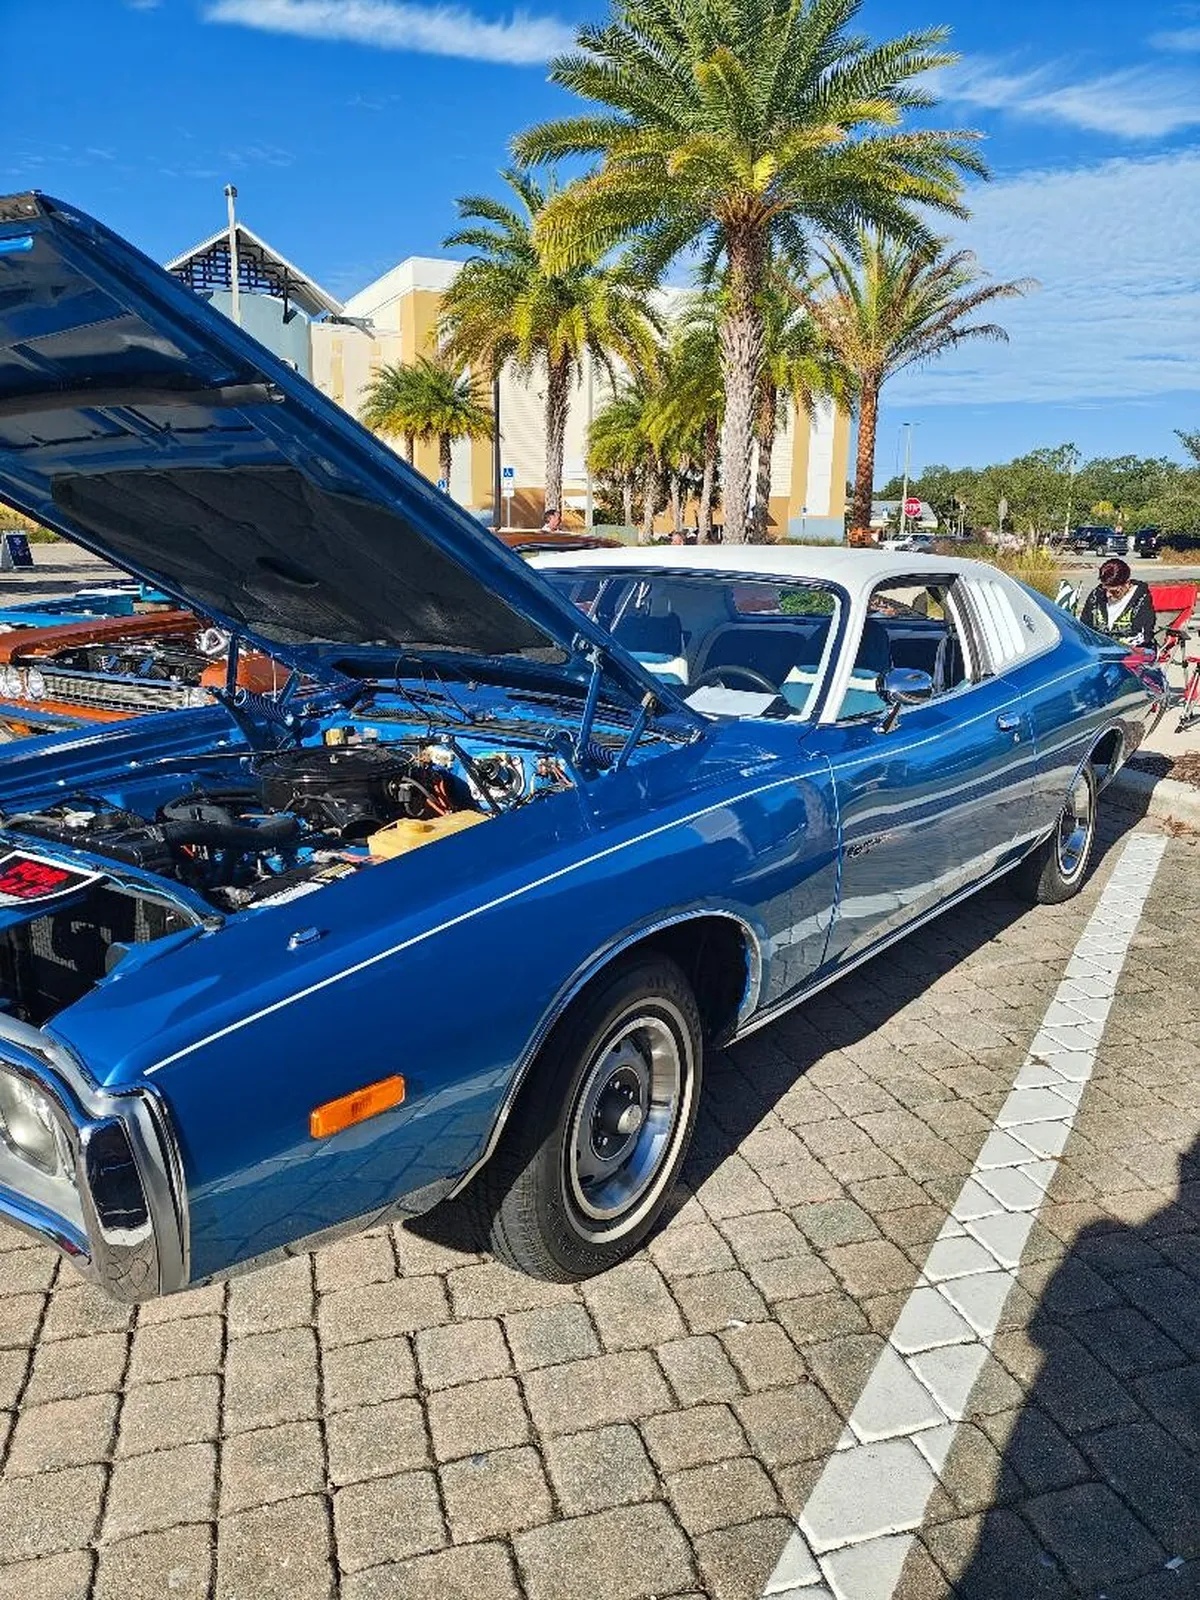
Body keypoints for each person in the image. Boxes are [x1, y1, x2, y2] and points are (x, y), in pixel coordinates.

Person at [1079, 558, 1157, 649]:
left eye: (1114, 591)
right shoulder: (1096, 595)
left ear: (1127, 584)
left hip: (1131, 654)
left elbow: (1143, 636)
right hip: (1099, 651)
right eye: (1105, 589)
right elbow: (1084, 627)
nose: (1108, 595)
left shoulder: (1141, 599)